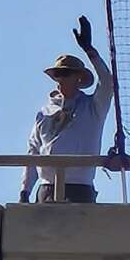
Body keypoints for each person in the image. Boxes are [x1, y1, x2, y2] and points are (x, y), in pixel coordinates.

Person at [19, 16, 113, 203]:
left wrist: (89, 50)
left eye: (66, 73)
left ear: (79, 78)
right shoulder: (43, 113)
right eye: (58, 74)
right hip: (46, 189)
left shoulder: (93, 108)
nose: (61, 78)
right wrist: (25, 191)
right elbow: (33, 153)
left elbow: (108, 83)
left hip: (80, 188)